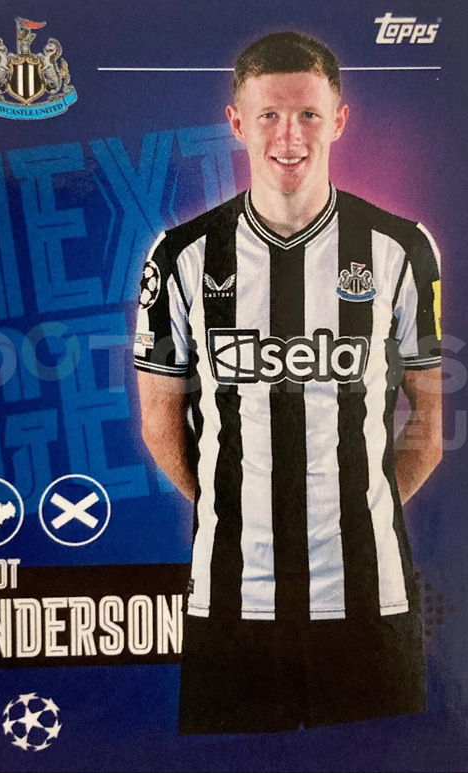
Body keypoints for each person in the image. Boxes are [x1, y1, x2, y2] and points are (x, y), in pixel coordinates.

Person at [134, 31, 443, 733]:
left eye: (308, 114)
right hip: (231, 604)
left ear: (339, 120)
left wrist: (353, 513)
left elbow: (429, 424)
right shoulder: (181, 256)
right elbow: (159, 423)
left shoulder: (401, 249)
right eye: (268, 114)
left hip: (371, 603)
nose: (289, 135)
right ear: (236, 122)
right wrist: (245, 512)